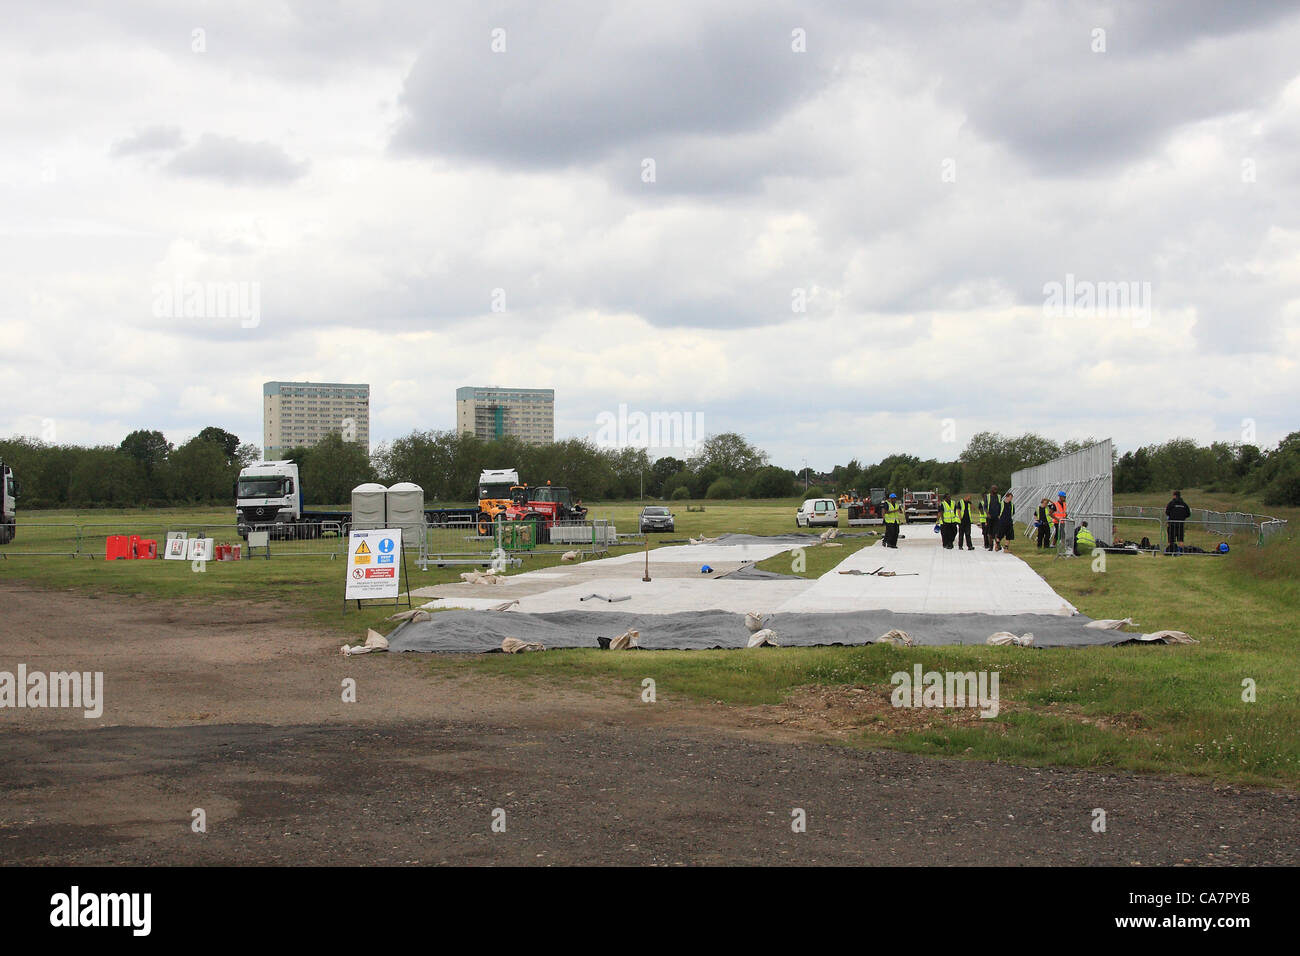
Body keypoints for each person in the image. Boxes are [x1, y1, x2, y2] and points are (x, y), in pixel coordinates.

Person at [982, 485, 1001, 551]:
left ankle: (998, 545)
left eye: (996, 489)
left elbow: (1000, 506)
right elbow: (985, 506)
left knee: (996, 532)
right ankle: (990, 546)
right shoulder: (987, 497)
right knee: (990, 533)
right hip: (989, 517)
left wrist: (999, 514)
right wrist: (987, 513)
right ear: (991, 489)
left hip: (996, 517)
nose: (995, 490)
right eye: (994, 489)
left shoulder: (999, 496)